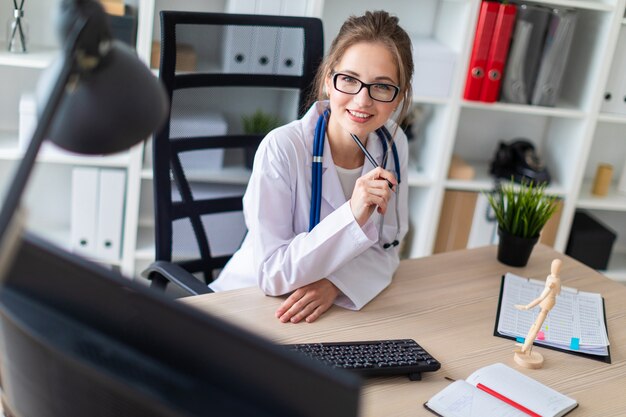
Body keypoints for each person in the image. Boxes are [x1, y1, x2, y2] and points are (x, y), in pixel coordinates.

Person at [210, 10, 413, 324]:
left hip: (323, 313)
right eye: (349, 79)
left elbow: (388, 246)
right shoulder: (283, 148)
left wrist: (335, 284)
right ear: (329, 80)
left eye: (382, 87)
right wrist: (353, 214)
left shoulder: (393, 144)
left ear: (399, 96)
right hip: (248, 304)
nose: (362, 101)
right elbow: (273, 274)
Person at [514, 259, 562, 366]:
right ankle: (525, 345)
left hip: (547, 303)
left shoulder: (552, 281)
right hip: (548, 301)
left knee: (536, 328)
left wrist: (527, 306)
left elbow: (541, 298)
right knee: (534, 325)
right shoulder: (554, 278)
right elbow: (558, 292)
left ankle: (524, 348)